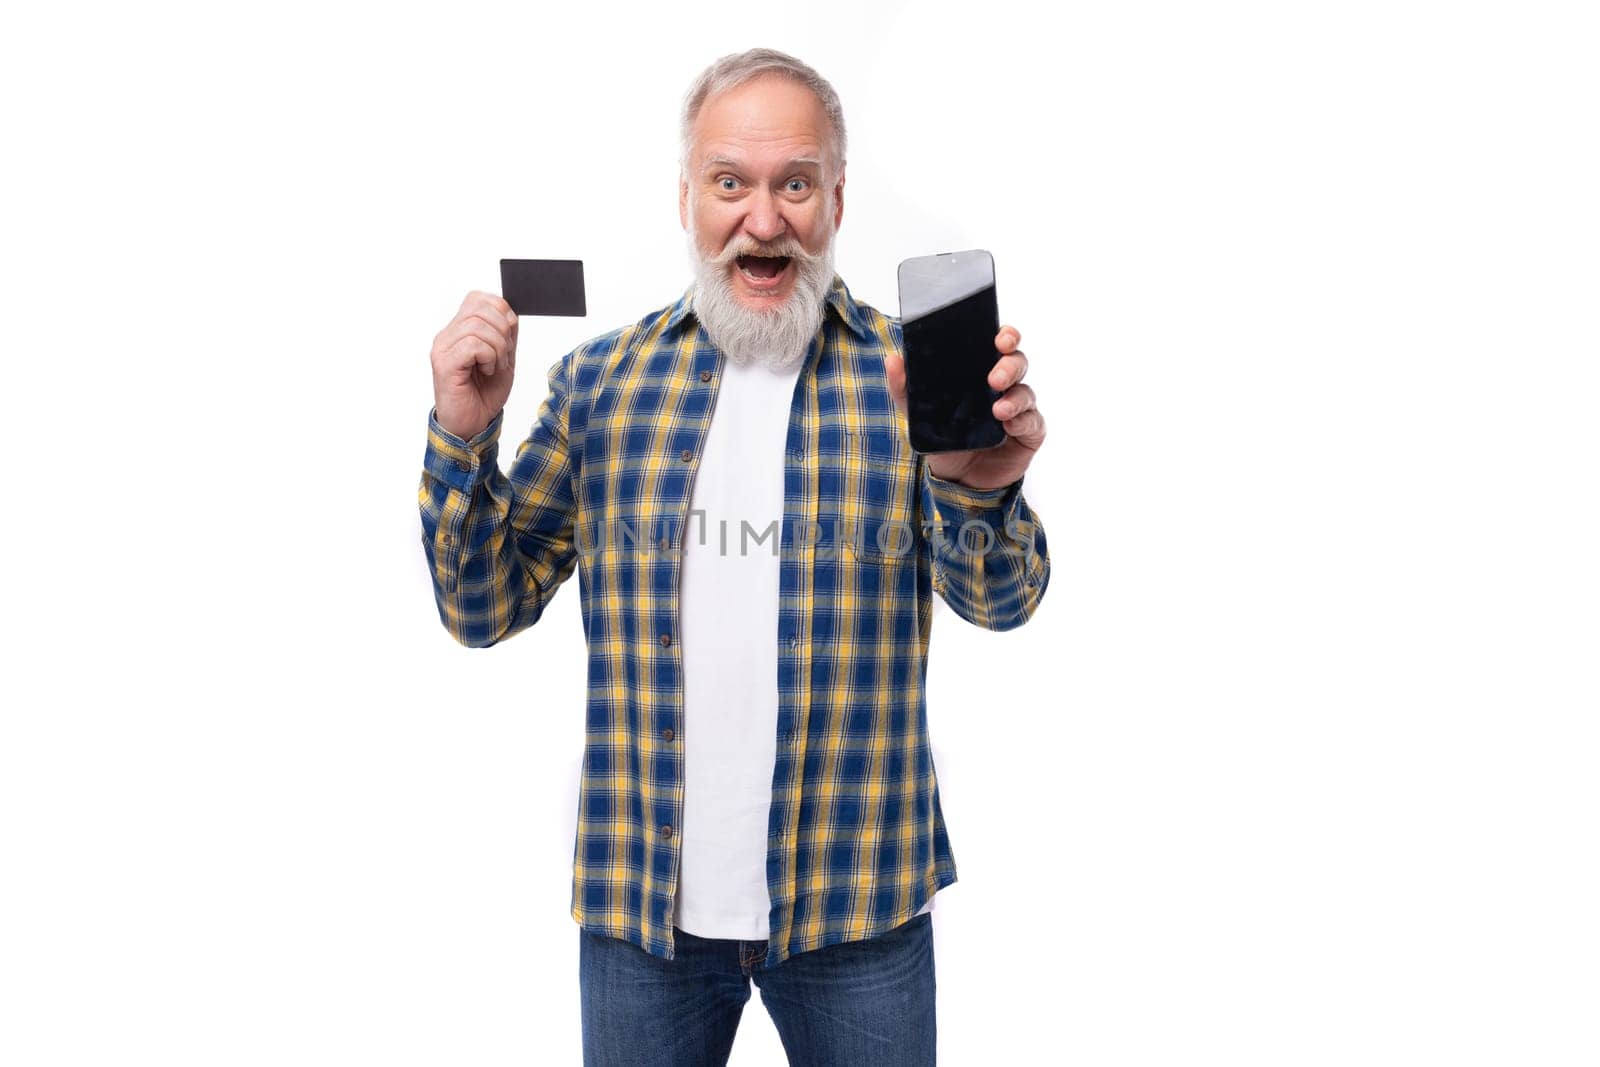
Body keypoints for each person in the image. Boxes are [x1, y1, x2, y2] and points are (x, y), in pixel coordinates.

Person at [418, 47, 1050, 1066]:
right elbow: (480, 606)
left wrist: (976, 481)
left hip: (860, 905)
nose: (764, 219)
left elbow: (1002, 600)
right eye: (731, 183)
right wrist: (462, 434)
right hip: (644, 917)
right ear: (686, 198)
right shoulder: (599, 384)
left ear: (835, 198)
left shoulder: (908, 378)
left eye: (794, 183)